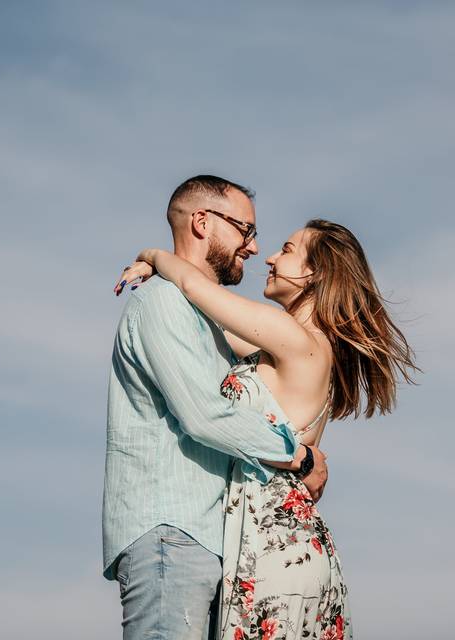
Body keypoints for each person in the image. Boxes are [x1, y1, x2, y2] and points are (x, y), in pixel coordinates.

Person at [118, 218, 420, 639]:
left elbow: (194, 289)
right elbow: (208, 321)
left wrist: (150, 256)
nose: (272, 258)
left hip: (273, 546)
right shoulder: (290, 345)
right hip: (276, 541)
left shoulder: (293, 338)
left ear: (314, 273)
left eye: (288, 249)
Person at [103, 175, 330, 640]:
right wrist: (300, 457)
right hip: (173, 530)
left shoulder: (212, 320)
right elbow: (206, 414)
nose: (255, 247)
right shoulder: (165, 304)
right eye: (245, 229)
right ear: (202, 223)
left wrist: (153, 260)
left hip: (218, 541)